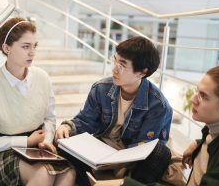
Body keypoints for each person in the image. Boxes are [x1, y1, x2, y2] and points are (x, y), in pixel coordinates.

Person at [55, 36, 173, 186]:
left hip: (131, 161)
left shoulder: (158, 106)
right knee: (63, 141)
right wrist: (68, 126)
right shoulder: (101, 88)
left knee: (160, 153)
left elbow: (148, 147)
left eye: (122, 65)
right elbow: (86, 121)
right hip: (99, 151)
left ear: (142, 73)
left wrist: (118, 161)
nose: (114, 69)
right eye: (115, 60)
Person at [91, 65, 219, 186]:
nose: (193, 99)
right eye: (197, 91)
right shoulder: (214, 129)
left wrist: (125, 184)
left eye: (204, 96)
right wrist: (199, 143)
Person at [0, 17, 75, 186]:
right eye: (25, 46)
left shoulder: (42, 77)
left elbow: (49, 119)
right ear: (7, 48)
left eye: (34, 46)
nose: (32, 53)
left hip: (38, 146)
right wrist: (26, 142)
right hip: (5, 150)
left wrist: (47, 141)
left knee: (69, 174)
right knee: (44, 174)